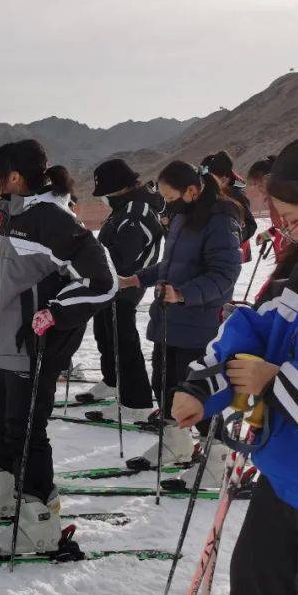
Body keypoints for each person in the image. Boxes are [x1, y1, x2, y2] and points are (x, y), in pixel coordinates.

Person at [169, 133, 298, 595]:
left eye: (295, 218)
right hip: (286, 486)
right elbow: (256, 327)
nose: (287, 234)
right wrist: (206, 384)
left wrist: (278, 382)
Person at [0, 140, 116, 559]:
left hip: (32, 346)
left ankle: (40, 521)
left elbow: (102, 279)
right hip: (7, 343)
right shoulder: (18, 214)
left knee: (25, 432)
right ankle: (6, 493)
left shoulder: (49, 218)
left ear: (16, 176)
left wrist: (55, 312)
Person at [117, 160, 242, 484]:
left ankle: (216, 457)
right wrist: (137, 279)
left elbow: (225, 275)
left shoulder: (221, 218)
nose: (166, 204)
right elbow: (171, 265)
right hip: (169, 319)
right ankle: (175, 443)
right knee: (165, 383)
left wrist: (184, 294)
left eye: (171, 198)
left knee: (194, 390)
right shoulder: (185, 215)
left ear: (192, 189)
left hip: (196, 322)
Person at [81, 157, 165, 422]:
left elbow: (122, 257)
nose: (102, 199)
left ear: (119, 188)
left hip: (125, 285)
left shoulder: (135, 212)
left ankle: (136, 402)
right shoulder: (124, 207)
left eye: (104, 193)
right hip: (109, 284)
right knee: (104, 332)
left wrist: (90, 262)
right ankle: (113, 381)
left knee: (123, 341)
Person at [201, 151, 258, 256]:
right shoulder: (208, 188)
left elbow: (251, 225)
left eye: (213, 181)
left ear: (224, 179)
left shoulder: (237, 195)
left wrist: (232, 236)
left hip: (232, 251)